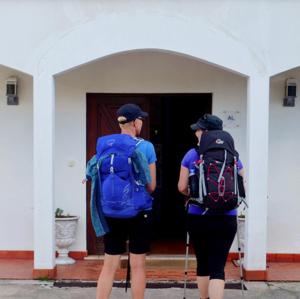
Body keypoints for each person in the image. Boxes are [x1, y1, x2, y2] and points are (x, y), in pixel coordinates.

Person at [178, 114, 244, 299]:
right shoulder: (232, 156)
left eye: (198, 130)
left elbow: (181, 187)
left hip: (198, 216)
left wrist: (195, 195)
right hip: (227, 216)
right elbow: (242, 185)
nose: (196, 133)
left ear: (206, 132)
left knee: (203, 263)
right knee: (218, 267)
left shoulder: (192, 155)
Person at [96, 103, 156, 299]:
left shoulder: (107, 146)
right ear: (134, 122)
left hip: (112, 211)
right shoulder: (146, 147)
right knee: (137, 265)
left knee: (109, 264)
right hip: (139, 211)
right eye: (140, 119)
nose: (142, 122)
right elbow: (151, 186)